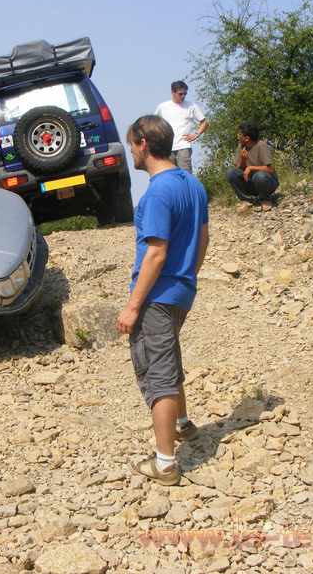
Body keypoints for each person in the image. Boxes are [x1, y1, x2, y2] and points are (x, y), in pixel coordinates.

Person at [117, 116, 209, 486]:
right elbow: (203, 241)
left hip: (156, 295)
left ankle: (165, 462)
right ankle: (183, 425)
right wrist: (188, 275)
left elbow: (155, 254)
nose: (131, 154)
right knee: (167, 356)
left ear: (143, 144)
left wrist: (133, 306)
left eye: (131, 146)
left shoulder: (157, 193)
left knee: (158, 373)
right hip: (182, 290)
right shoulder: (192, 184)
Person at [154, 81, 208, 175]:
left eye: (185, 94)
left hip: (184, 146)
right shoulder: (163, 107)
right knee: (169, 176)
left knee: (186, 175)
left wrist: (196, 134)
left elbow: (204, 122)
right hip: (167, 147)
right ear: (173, 92)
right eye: (180, 94)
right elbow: (153, 123)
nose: (183, 96)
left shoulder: (191, 106)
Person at [226, 122, 278, 212]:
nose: (237, 136)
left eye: (240, 134)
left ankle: (265, 199)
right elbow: (237, 170)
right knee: (231, 173)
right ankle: (248, 200)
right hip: (252, 182)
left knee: (259, 176)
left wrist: (251, 168)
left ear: (247, 138)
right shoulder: (241, 147)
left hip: (267, 182)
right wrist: (243, 160)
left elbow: (270, 169)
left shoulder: (261, 145)